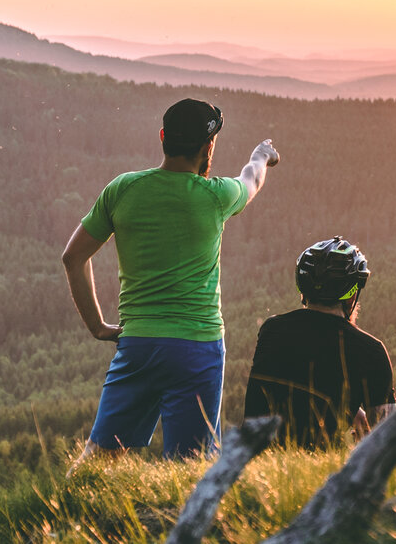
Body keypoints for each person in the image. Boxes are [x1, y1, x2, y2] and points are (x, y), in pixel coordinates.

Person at [60, 97, 279, 459]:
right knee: (190, 467)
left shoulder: (123, 189)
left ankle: (63, 512)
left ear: (163, 136)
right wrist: (262, 155)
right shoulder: (216, 196)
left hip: (138, 343)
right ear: (208, 146)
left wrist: (97, 326)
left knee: (99, 461)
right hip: (198, 346)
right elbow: (252, 178)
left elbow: (73, 257)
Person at [244, 236, 396, 449]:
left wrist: (351, 409)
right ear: (352, 297)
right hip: (321, 475)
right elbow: (390, 439)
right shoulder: (371, 352)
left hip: (254, 463)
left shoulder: (272, 330)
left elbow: (303, 384)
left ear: (303, 291)